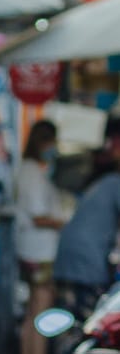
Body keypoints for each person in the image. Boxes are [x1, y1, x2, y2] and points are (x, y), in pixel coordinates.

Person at [14, 119, 68, 354]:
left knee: (32, 316)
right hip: (40, 251)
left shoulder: (28, 170)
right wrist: (64, 222)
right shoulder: (33, 173)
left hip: (31, 250)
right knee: (40, 315)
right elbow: (39, 216)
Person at [54, 131, 120, 326]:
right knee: (88, 323)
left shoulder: (103, 183)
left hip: (70, 258)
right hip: (85, 264)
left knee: (69, 323)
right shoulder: (115, 184)